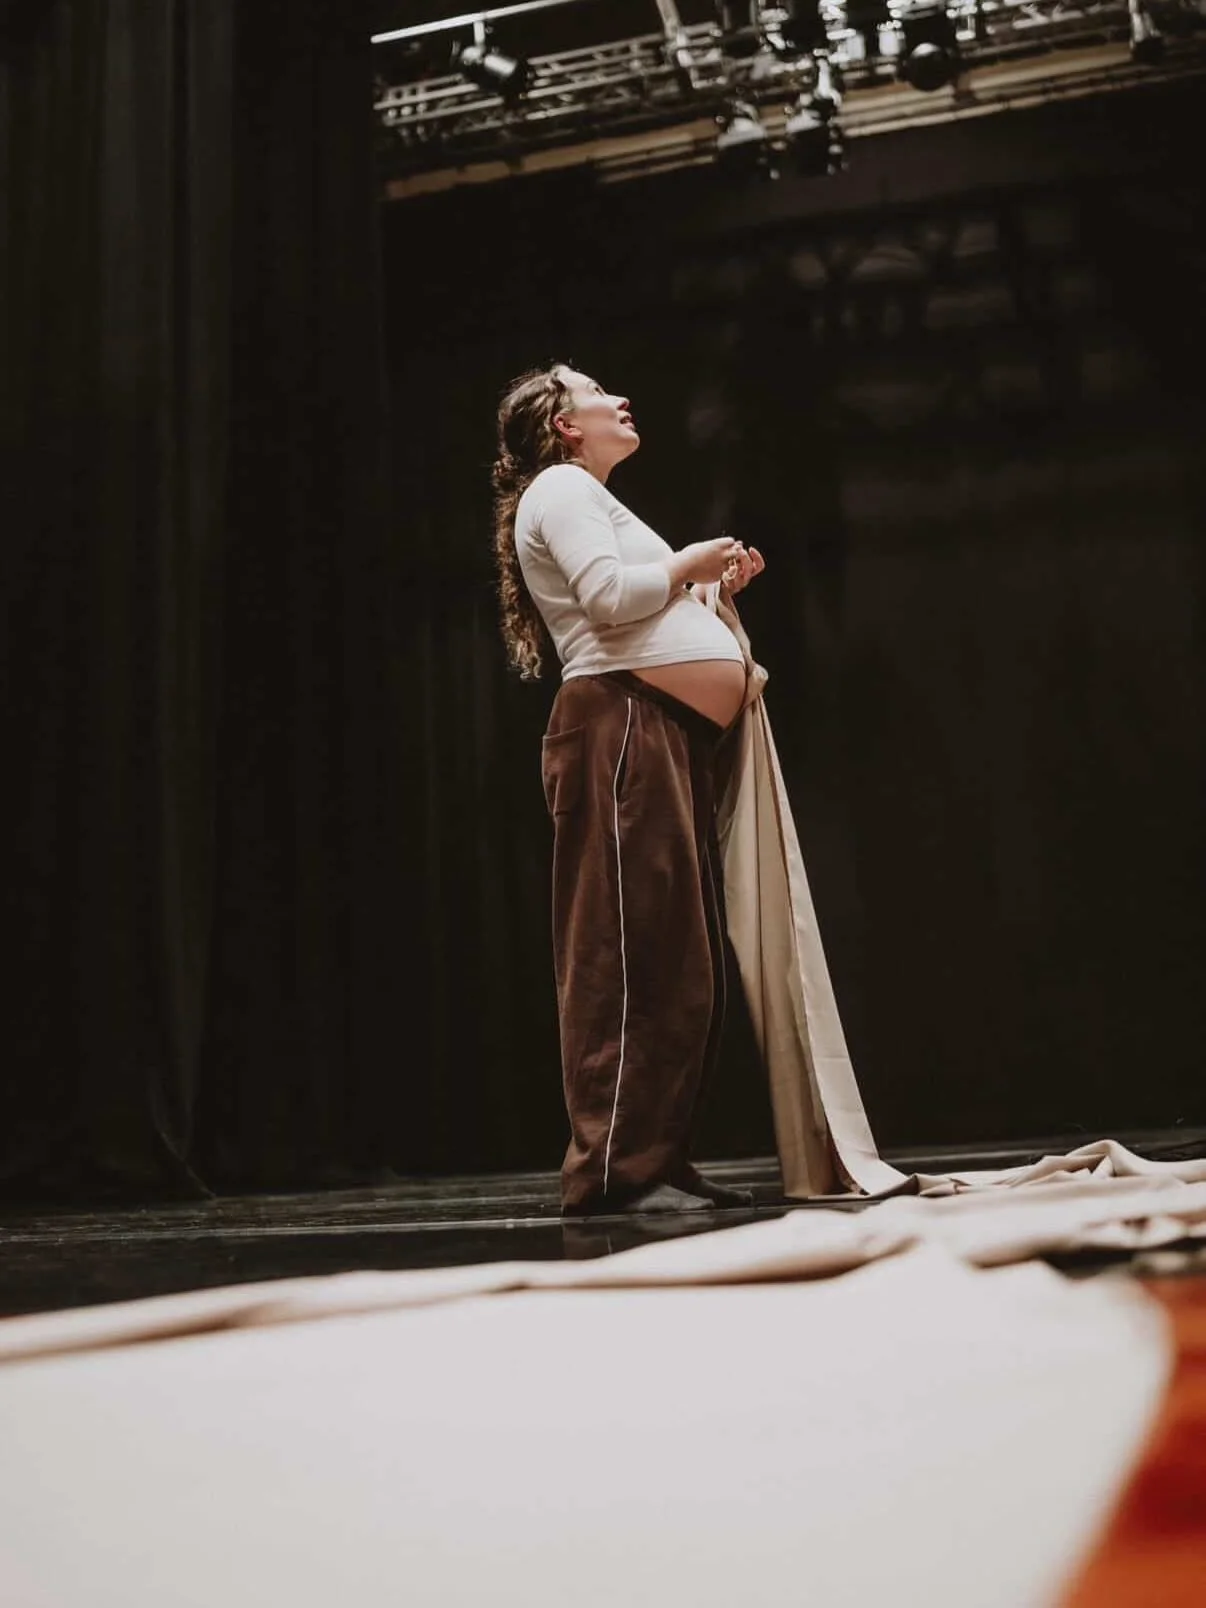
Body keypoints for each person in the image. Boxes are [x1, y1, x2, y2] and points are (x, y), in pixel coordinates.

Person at [492, 362, 767, 1215]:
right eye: (596, 392)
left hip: (656, 730)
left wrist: (708, 587)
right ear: (565, 425)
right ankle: (615, 1169)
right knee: (628, 951)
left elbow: (637, 603)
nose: (619, 399)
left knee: (679, 960)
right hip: (619, 727)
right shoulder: (562, 488)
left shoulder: (589, 496)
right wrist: (687, 564)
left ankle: (658, 1156)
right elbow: (609, 601)